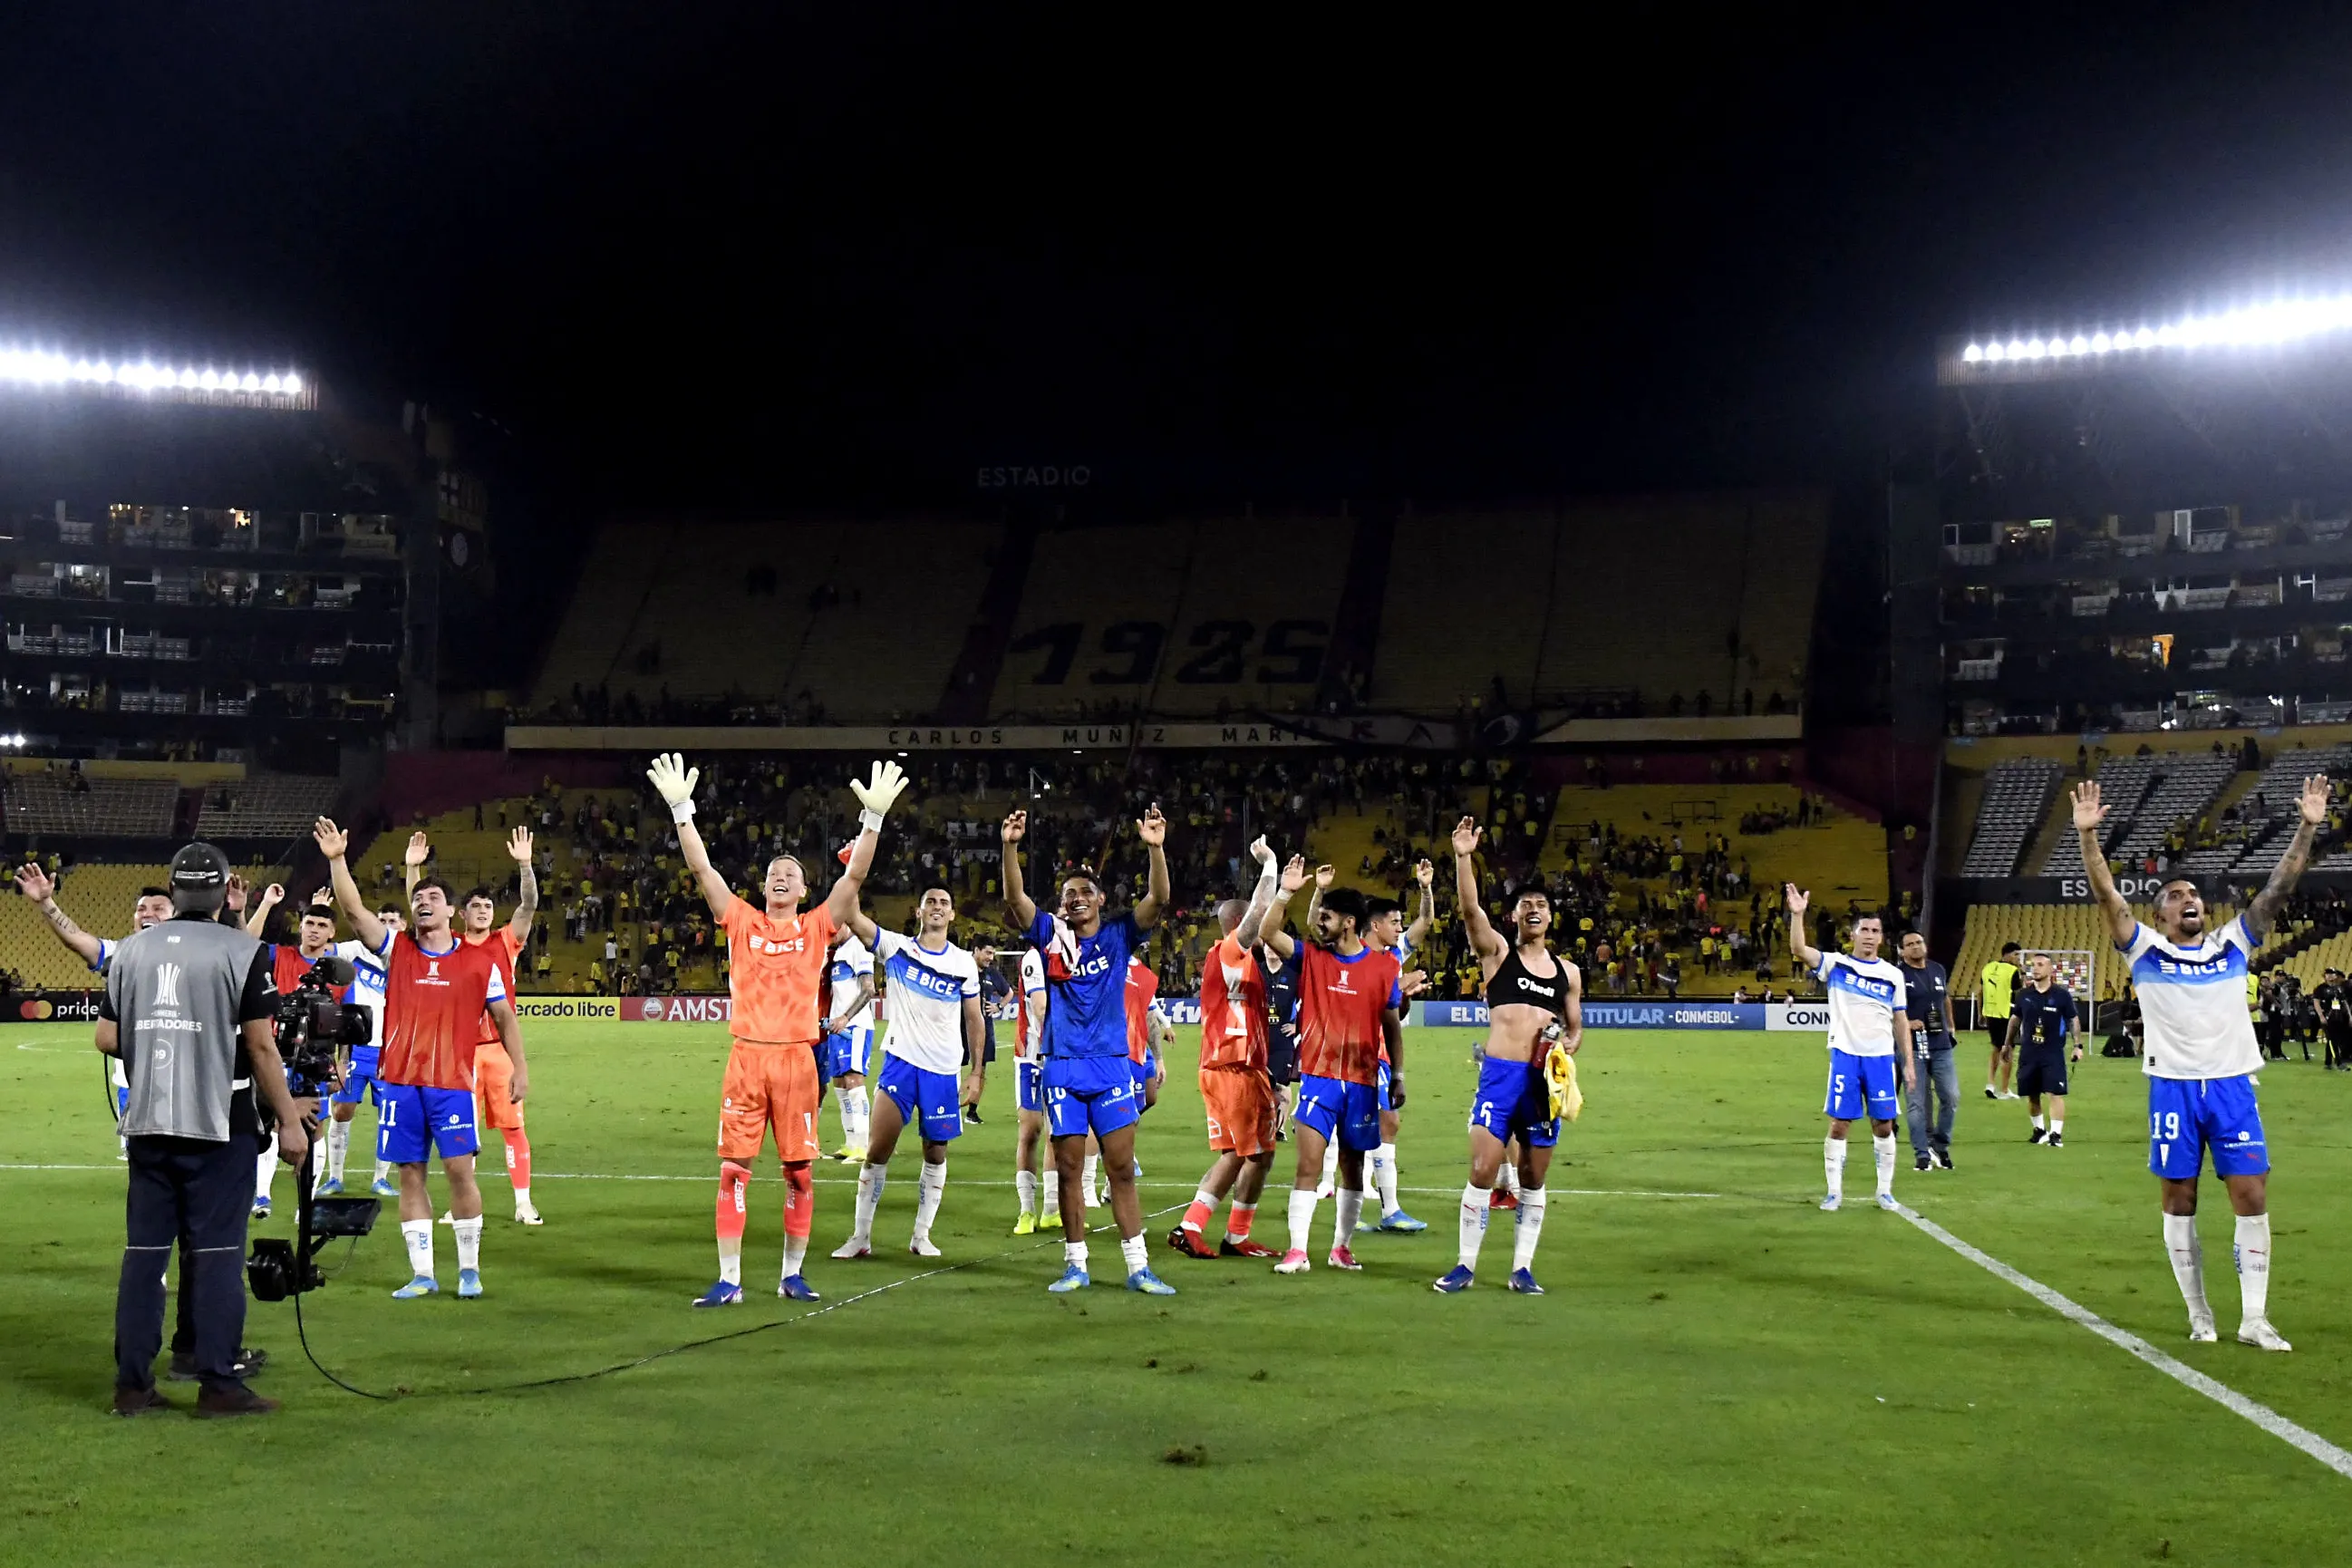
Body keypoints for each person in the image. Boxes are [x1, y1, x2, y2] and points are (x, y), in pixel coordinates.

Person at [2072, 775, 2323, 1351]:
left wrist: (2307, 826)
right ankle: (2199, 1310)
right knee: (2179, 1198)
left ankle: (2255, 1318)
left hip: (2233, 1085)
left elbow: (2279, 888)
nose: (2191, 901)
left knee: (2252, 1197)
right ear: (2159, 914)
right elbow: (2109, 897)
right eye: (2177, 896)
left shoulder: (2233, 943)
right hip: (2173, 1089)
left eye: (2195, 896)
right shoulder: (2143, 949)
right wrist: (2089, 839)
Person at [652, 753, 905, 1307]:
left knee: (800, 1175)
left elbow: (855, 875)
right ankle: (729, 1280)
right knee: (732, 1173)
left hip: (795, 1061)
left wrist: (873, 821)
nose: (780, 875)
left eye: (791, 872)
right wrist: (681, 809)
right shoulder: (741, 920)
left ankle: (792, 1274)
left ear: (803, 887)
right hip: (747, 1058)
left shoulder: (819, 927)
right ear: (765, 885)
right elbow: (702, 871)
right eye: (773, 872)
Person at [103, 842, 309, 1417]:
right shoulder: (243, 951)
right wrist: (289, 1122)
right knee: (217, 1254)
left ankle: (131, 1386)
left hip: (147, 1121)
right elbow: (262, 1045)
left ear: (173, 891)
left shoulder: (129, 951)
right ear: (223, 892)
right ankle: (218, 1384)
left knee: (143, 1257)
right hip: (219, 1124)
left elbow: (106, 1038)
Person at [315, 818, 528, 1299]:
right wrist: (336, 860)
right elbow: (353, 909)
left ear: (450, 911)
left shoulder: (480, 962)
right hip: (401, 1084)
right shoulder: (399, 950)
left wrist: (521, 1068)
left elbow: (506, 1020)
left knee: (460, 1171)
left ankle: (469, 1269)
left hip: (451, 1082)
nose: (422, 903)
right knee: (411, 1172)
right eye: (417, 899)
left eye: (433, 899)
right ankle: (424, 1274)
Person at [999, 802, 1178, 1295]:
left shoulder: (1121, 935)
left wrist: (1156, 849)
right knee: (1070, 1169)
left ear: (1100, 899)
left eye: (1083, 892)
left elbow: (1158, 899)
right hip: (1062, 1068)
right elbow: (1016, 899)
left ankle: (1138, 1266)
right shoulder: (1050, 936)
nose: (1075, 899)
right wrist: (1010, 846)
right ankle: (1076, 1263)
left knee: (1121, 1168)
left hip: (1111, 1067)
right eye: (1067, 894)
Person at [1432, 819, 1577, 1293]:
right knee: (1482, 1170)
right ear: (1514, 916)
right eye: (1525, 905)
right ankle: (1466, 1266)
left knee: (1533, 1178)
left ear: (1551, 917)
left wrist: (1565, 1047)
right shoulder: (1496, 954)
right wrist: (1462, 858)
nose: (1534, 909)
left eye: (1541, 905)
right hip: (1499, 1076)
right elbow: (1471, 909)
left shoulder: (1567, 973)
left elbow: (1575, 1030)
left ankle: (1521, 1269)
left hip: (1540, 1085)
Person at [1254, 857, 1406, 1276]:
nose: (1319, 922)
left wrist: (1399, 1076)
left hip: (1361, 1081)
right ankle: (1297, 1250)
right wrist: (1287, 891)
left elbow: (1391, 1027)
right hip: (1319, 1079)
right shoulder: (1311, 959)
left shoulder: (1383, 968)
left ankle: (1341, 1248)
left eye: (1327, 916)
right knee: (1308, 1164)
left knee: (1353, 1169)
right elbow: (1268, 932)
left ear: (1349, 922)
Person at [831, 886, 983, 1258]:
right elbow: (852, 917)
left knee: (935, 1154)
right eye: (931, 902)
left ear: (952, 916)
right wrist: (854, 876)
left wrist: (977, 1072)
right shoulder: (897, 948)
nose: (937, 907)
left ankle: (921, 1235)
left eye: (944, 903)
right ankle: (860, 1237)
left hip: (943, 1071)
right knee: (877, 1151)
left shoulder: (964, 963)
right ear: (918, 911)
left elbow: (975, 1018)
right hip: (901, 1063)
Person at [1168, 837, 1282, 1261]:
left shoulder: (1237, 963)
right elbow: (1256, 919)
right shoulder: (1232, 951)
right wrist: (1269, 866)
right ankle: (1223, 1233)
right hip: (1232, 1068)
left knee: (1240, 1153)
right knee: (1257, 1152)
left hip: (1225, 1067)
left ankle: (1199, 1227)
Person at [423, 828, 544, 1224]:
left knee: (513, 1127)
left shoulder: (506, 942)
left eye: (489, 907)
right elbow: (420, 917)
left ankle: (523, 1202)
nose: (484, 912)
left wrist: (526, 865)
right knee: (461, 1132)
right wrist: (414, 870)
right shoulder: (452, 945)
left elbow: (529, 904)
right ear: (462, 913)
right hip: (459, 1051)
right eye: (476, 906)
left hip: (497, 1050)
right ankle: (461, 1201)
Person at [16, 865, 173, 1157]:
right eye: (141, 909)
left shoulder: (198, 955)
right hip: (136, 1071)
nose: (147, 913)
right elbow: (77, 940)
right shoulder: (121, 955)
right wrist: (46, 903)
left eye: (159, 908)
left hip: (183, 1071)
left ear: (176, 916)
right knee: (145, 1160)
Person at [1786, 886, 1912, 1213]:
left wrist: (1908, 1063)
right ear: (1853, 935)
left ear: (1882, 938)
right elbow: (1799, 949)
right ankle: (1834, 1193)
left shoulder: (1893, 975)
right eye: (1864, 930)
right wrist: (1798, 915)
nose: (1869, 936)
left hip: (1882, 1057)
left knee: (1883, 1125)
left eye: (1875, 931)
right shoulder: (1836, 965)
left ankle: (1884, 1192)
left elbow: (1901, 1021)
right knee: (1839, 1124)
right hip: (1845, 1054)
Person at [1358, 859, 1435, 1233]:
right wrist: (1403, 986)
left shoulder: (1393, 955)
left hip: (1383, 1053)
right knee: (1380, 1125)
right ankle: (1382, 1212)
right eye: (1394, 923)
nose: (1401, 929)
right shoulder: (1355, 957)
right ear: (1375, 925)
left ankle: (1383, 1211)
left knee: (1382, 1125)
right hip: (1360, 1054)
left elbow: (1426, 925)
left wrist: (1425, 889)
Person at [1895, 930, 1958, 1172]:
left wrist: (1951, 1025)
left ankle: (1940, 1146)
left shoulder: (1938, 969)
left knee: (1951, 1097)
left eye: (1919, 942)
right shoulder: (1897, 974)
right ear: (1902, 950)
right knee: (1916, 1103)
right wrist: (1907, 1023)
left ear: (1925, 945)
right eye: (1909, 944)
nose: (1915, 947)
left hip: (1941, 1043)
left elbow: (1945, 999)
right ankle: (1922, 1154)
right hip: (1911, 1045)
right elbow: (1887, 1007)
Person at [2008, 953, 2080, 1147]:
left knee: (2054, 1092)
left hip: (2053, 1052)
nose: (2036, 968)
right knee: (2031, 1093)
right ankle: (2039, 1130)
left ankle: (2056, 1134)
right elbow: (2015, 1020)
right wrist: (2008, 1045)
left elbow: (2073, 1019)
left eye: (2041, 965)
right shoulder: (2024, 995)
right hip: (2029, 1051)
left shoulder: (2061, 995)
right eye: (2034, 965)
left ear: (2050, 969)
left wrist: (2077, 1045)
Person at [1010, 943, 1055, 1233]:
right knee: (1030, 1130)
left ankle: (1051, 1210)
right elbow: (1040, 1007)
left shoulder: (1073, 956)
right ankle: (1026, 1210)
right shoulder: (1034, 957)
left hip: (1060, 1056)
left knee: (1058, 1132)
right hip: (1032, 1057)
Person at [822, 926, 877, 1162]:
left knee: (854, 1081)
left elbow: (868, 989)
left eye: (833, 929)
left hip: (855, 1026)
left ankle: (864, 1146)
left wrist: (846, 1018)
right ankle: (851, 1143)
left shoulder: (859, 947)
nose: (829, 934)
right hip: (837, 1027)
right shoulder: (839, 951)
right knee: (841, 1084)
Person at [972, 942, 1010, 1124]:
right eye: (987, 953)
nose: (991, 958)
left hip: (985, 1027)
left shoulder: (991, 973)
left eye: (993, 954)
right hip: (960, 1026)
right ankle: (946, 1108)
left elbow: (1008, 993)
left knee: (982, 1069)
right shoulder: (963, 968)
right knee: (952, 1067)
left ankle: (972, 1111)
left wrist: (999, 1006)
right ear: (976, 950)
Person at [1980, 941, 2021, 1100]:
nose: (2018, 958)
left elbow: (1980, 992)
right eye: (2016, 954)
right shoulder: (2012, 971)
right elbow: (2019, 994)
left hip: (1990, 1012)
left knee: (1996, 1048)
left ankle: (1990, 1084)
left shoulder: (1988, 967)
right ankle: (2004, 1090)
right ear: (2007, 954)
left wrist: (1980, 1013)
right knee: (2008, 1050)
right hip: (2006, 1014)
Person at [2315, 967, 2352, 1071]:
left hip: (2338, 1017)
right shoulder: (2320, 988)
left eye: (2332, 974)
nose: (2330, 976)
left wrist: (2349, 1016)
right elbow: (2316, 1002)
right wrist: (2321, 1016)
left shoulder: (2339, 988)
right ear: (2325, 976)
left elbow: (2344, 1003)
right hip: (2327, 1018)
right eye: (2328, 974)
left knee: (2334, 1040)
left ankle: (2328, 1062)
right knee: (2332, 1040)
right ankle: (2339, 1063)